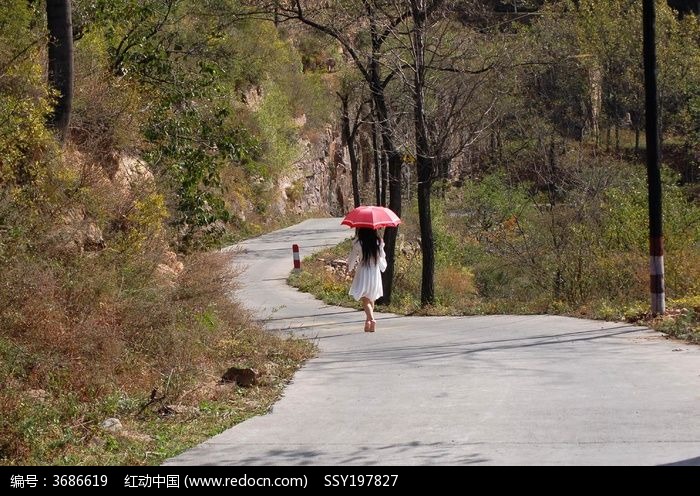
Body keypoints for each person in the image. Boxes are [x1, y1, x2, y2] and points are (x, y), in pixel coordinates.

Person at [346, 227, 387, 332]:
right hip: (374, 271)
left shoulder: (359, 242)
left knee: (365, 299)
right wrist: (382, 266)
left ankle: (372, 319)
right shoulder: (378, 241)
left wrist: (349, 267)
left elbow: (352, 257)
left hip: (363, 270)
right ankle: (368, 323)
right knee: (371, 297)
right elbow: (382, 257)